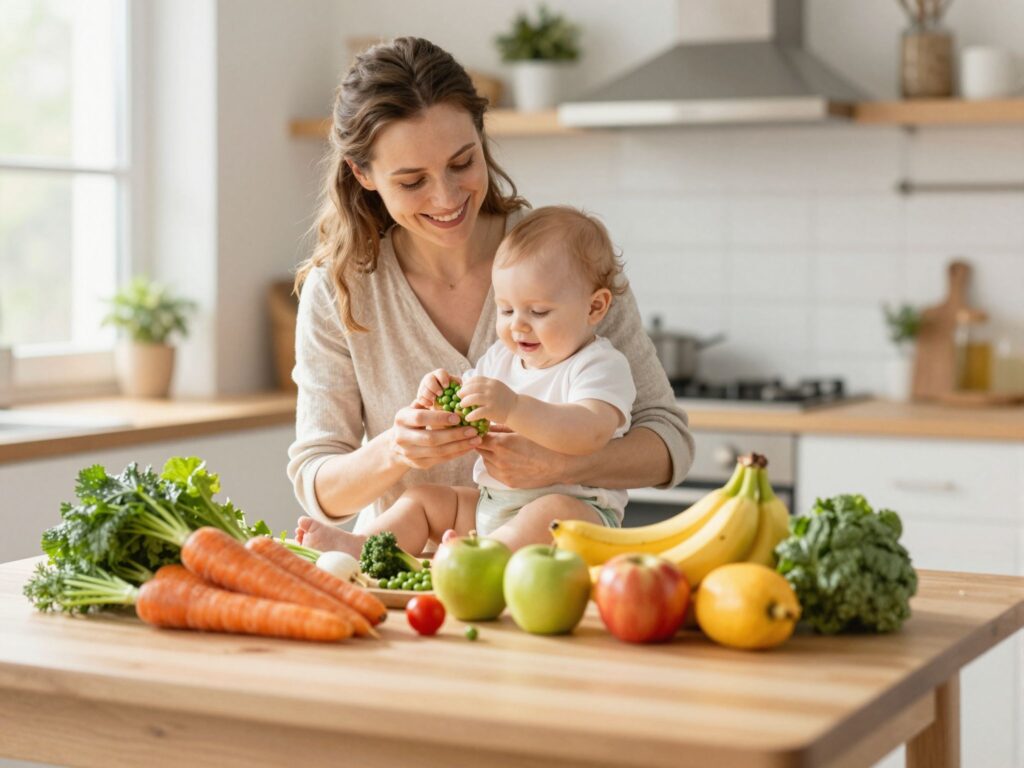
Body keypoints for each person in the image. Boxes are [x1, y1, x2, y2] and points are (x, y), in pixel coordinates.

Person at [287, 36, 694, 552]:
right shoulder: (340, 289)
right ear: (362, 174)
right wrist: (398, 448)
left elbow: (668, 443)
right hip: (406, 590)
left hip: (542, 574)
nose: (447, 197)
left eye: (462, 163)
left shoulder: (562, 261)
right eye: (412, 182)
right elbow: (318, 485)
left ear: (482, 136)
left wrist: (564, 463)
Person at [298, 206, 637, 557]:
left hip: (576, 514)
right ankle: (362, 547)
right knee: (423, 498)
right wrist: (438, 397)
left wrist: (515, 408)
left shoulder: (599, 365)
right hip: (491, 503)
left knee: (551, 512)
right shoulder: (501, 358)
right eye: (505, 310)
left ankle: (478, 559)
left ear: (595, 308)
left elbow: (590, 432)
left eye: (537, 312)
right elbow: (469, 405)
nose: (518, 326)